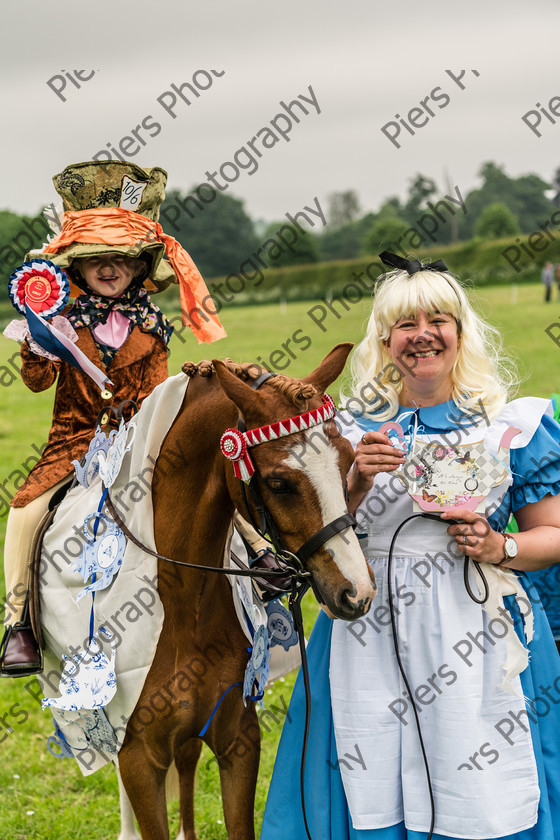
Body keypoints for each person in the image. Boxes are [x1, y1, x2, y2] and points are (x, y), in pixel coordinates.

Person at [261, 252, 560, 840]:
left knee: (480, 777)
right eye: (405, 324)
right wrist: (356, 481)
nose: (422, 336)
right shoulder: (345, 431)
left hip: (476, 627)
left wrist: (498, 545)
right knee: (367, 765)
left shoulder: (511, 425)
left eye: (438, 320)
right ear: (385, 340)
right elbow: (318, 540)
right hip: (366, 629)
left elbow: (552, 536)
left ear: (460, 331)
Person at [0, 159, 226, 676]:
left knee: (213, 480)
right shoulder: (57, 321)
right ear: (74, 266)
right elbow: (37, 384)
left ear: (141, 263)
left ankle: (256, 560)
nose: (108, 267)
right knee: (24, 509)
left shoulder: (152, 325)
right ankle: (19, 626)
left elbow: (157, 398)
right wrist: (37, 342)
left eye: (120, 257)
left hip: (138, 442)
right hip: (72, 443)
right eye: (94, 257)